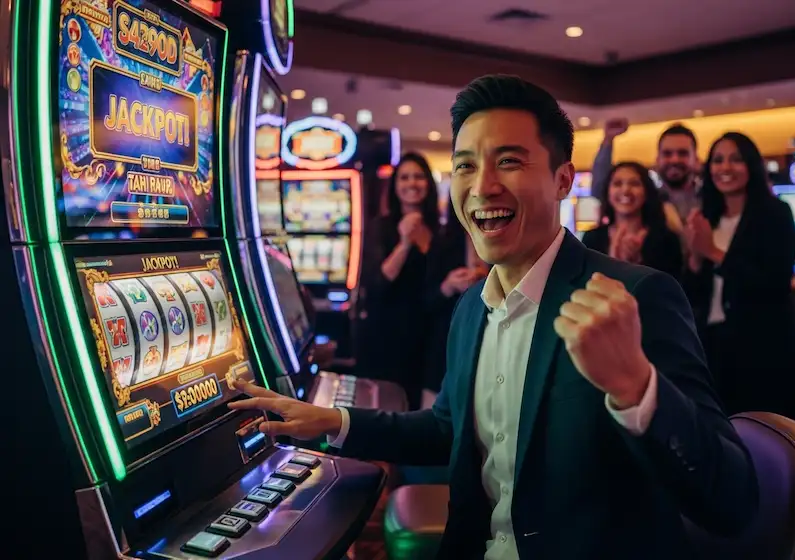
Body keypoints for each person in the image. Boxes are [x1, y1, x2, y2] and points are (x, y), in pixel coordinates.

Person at [231, 75, 758, 560]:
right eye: (465, 165)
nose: (482, 186)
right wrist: (334, 423)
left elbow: (732, 501)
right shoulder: (470, 309)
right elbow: (451, 429)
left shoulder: (637, 296)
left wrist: (637, 389)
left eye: (509, 161)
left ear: (562, 180)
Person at [683, 131, 795, 416]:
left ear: (751, 165)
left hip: (761, 345)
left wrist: (713, 252)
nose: (725, 168)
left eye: (736, 159)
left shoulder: (775, 213)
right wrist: (696, 257)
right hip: (713, 345)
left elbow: (774, 283)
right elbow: (694, 292)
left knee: (763, 431)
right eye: (718, 160)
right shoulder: (708, 216)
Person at [355, 152, 440, 409]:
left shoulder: (442, 228)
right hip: (387, 335)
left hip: (427, 336)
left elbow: (435, 287)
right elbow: (377, 284)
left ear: (428, 183)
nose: (412, 183)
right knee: (386, 411)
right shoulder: (380, 227)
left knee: (418, 410)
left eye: (418, 176)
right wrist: (404, 243)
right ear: (395, 186)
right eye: (404, 177)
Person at [422, 198, 486, 408]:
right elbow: (423, 301)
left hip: (487, 340)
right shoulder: (443, 241)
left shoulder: (504, 239)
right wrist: (448, 285)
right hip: (446, 342)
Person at [592, 119, 700, 233]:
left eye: (683, 153)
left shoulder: (710, 197)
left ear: (696, 159)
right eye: (667, 154)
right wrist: (608, 141)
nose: (674, 160)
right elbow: (600, 190)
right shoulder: (647, 199)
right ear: (657, 160)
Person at [583, 161, 683, 279]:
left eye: (634, 184)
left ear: (646, 191)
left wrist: (637, 265)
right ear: (608, 192)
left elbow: (672, 290)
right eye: (617, 184)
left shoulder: (666, 240)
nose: (625, 190)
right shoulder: (592, 238)